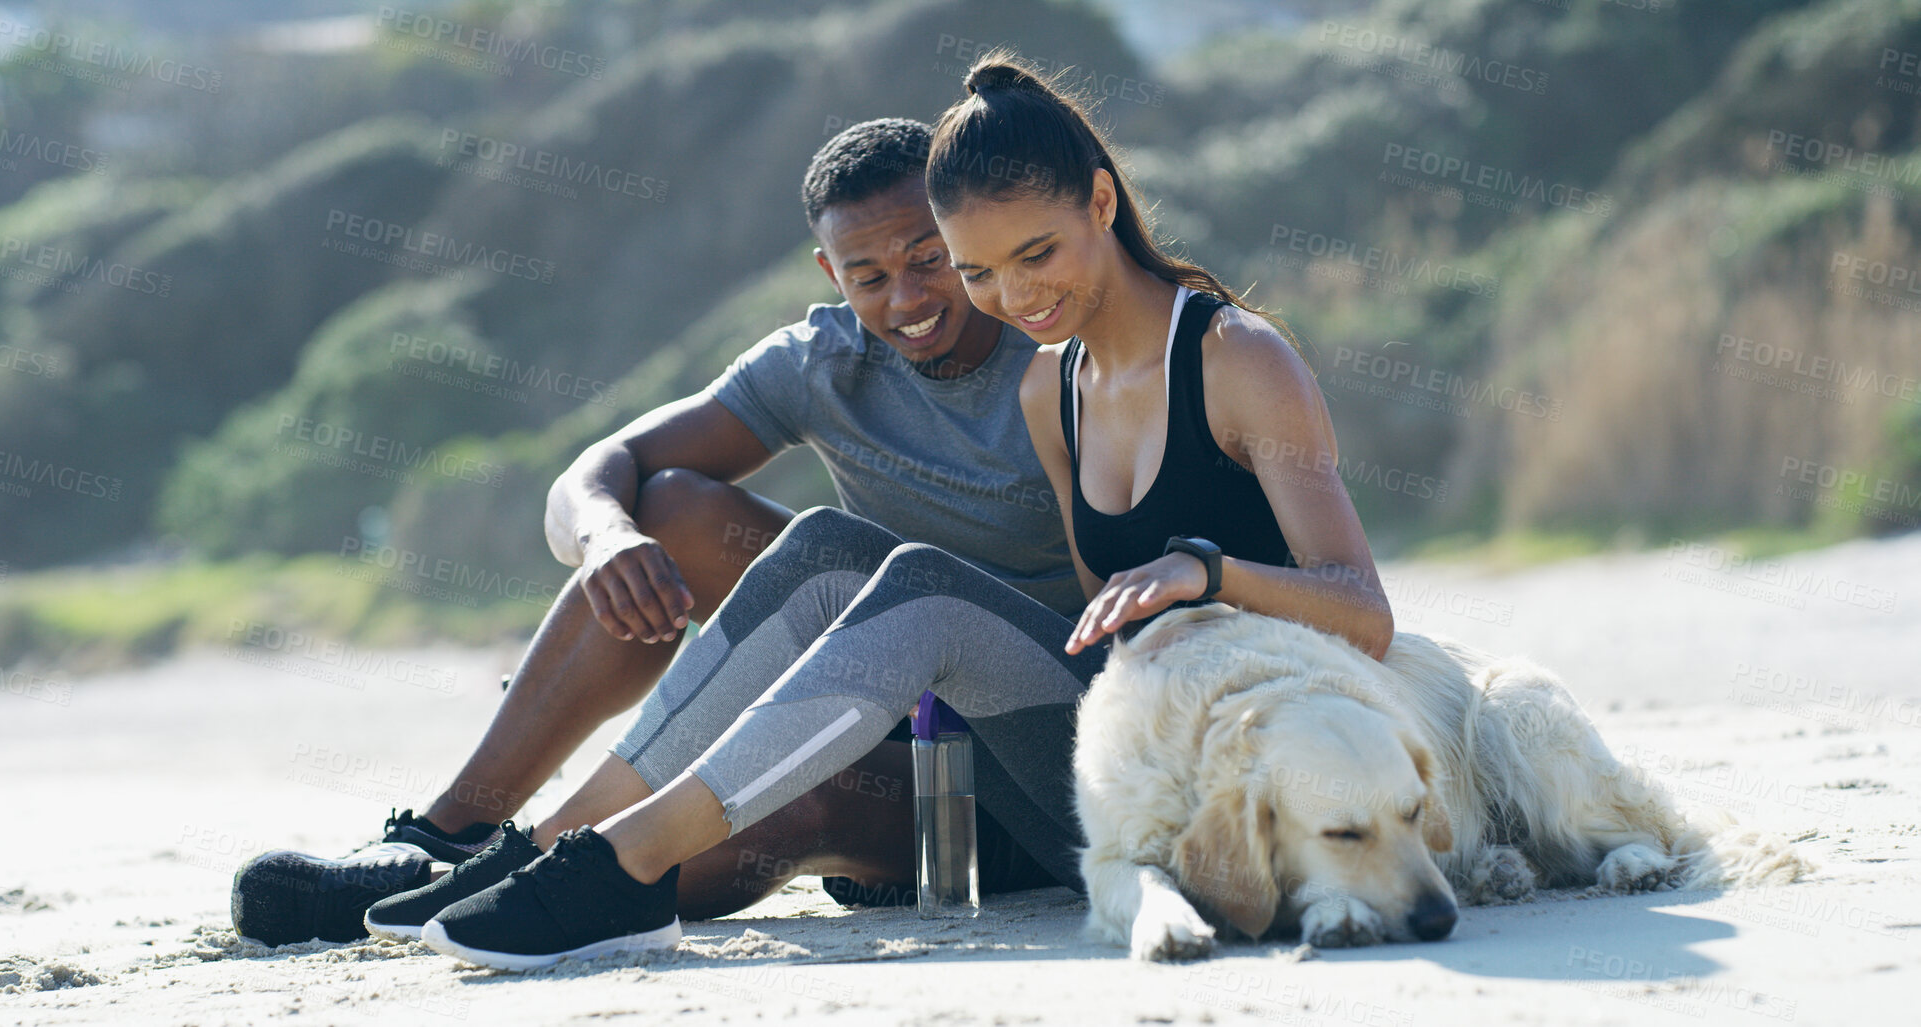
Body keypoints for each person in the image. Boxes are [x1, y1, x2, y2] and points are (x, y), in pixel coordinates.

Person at [406, 53, 1394, 971]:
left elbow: (1366, 613)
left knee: (923, 585)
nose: (1013, 295)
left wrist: (1206, 573)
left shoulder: (1238, 357)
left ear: (1102, 201)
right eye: (982, 272)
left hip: (1237, 766)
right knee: (828, 545)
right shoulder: (1055, 387)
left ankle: (620, 866)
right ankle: (546, 849)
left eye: (1035, 253)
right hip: (1112, 768)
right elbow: (1102, 645)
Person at [232, 117, 1082, 945]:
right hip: (892, 709)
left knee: (783, 804)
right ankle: (446, 846)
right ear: (830, 271)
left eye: (928, 260)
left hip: (1020, 769)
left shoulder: (1055, 348)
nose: (906, 299)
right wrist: (606, 538)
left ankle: (552, 875)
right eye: (867, 275)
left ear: (967, 234)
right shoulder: (821, 361)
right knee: (670, 510)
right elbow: (599, 469)